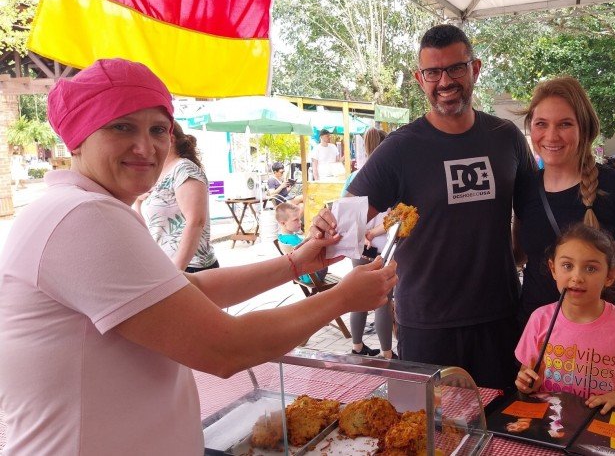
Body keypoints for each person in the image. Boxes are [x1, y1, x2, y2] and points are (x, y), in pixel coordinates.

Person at [0, 58, 397, 454]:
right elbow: (225, 349)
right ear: (77, 137)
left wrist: (298, 262)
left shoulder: (80, 209)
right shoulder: (81, 217)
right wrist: (342, 298)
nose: (145, 147)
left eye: (158, 130)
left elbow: (191, 288)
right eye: (121, 126)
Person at [315, 24, 535, 389]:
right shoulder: (401, 148)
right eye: (433, 72)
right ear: (420, 78)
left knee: (502, 430)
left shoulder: (505, 137)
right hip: (428, 323)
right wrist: (323, 226)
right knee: (433, 433)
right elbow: (346, 221)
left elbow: (530, 212)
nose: (444, 81)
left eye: (456, 68)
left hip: (501, 317)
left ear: (475, 69)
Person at [513, 76, 615, 399]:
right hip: (542, 344)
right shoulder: (524, 187)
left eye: (565, 124)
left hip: (605, 348)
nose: (551, 135)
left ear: (585, 129)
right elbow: (518, 254)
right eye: (541, 124)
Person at [515, 224, 615, 414]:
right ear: (553, 269)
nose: (577, 277)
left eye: (590, 268)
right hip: (549, 424)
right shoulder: (539, 319)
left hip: (602, 425)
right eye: (567, 266)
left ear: (610, 276)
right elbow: (526, 372)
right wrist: (526, 383)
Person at [341, 127, 396, 359]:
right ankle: (386, 353)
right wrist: (373, 233)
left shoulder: (354, 177)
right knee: (384, 298)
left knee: (358, 294)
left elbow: (344, 213)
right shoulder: (391, 174)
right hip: (384, 245)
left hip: (358, 245)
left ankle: (357, 346)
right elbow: (396, 217)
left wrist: (364, 234)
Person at [136, 123, 218, 272]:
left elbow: (196, 221)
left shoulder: (184, 169)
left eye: (155, 135)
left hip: (190, 265)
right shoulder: (158, 173)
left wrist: (177, 270)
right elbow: (145, 222)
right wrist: (137, 198)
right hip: (165, 264)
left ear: (171, 139)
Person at [275, 202, 328, 285]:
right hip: (312, 275)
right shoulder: (292, 241)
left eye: (299, 219)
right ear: (283, 223)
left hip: (299, 274)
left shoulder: (281, 238)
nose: (300, 222)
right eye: (295, 220)